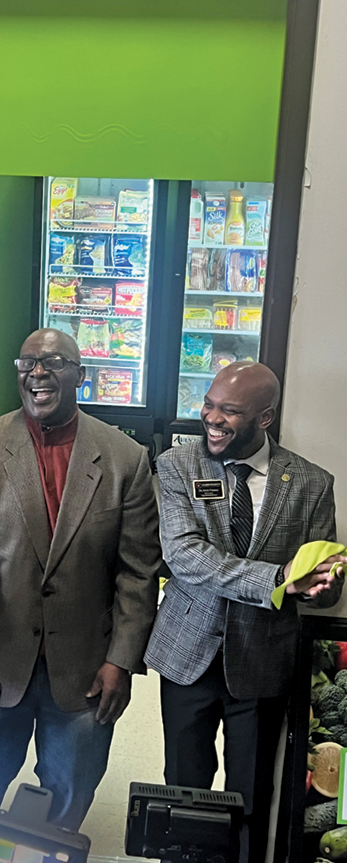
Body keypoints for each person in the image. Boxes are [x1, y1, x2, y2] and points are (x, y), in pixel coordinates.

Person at [0, 327, 161, 830]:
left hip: (86, 670)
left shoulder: (125, 461)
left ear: (80, 376)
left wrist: (120, 661)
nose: (38, 373)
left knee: (65, 805)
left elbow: (138, 572)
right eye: (28, 364)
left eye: (54, 362)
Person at [145, 361, 344, 863]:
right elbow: (185, 556)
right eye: (208, 405)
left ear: (265, 418)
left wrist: (322, 585)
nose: (211, 418)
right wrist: (278, 581)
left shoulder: (312, 484)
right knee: (184, 787)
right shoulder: (176, 467)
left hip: (263, 659)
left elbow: (323, 583)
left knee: (251, 794)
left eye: (228, 411)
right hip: (189, 654)